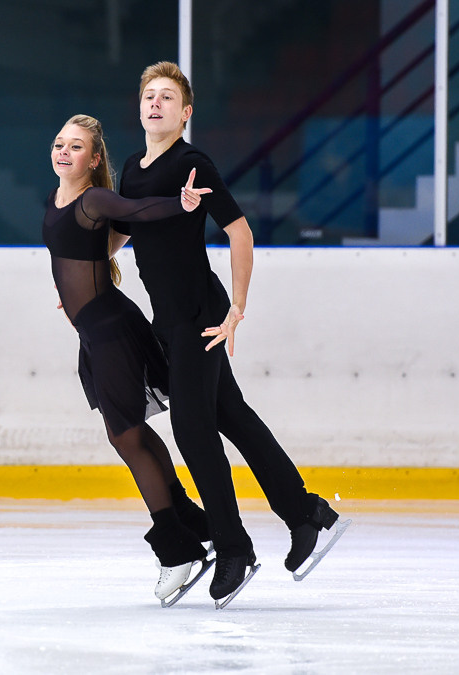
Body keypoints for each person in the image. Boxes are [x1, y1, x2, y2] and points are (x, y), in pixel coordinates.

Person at [110, 62, 344, 605]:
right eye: (149, 95)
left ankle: (235, 549)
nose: (156, 104)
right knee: (230, 414)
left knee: (193, 430)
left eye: (168, 97)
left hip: (200, 314)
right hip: (168, 319)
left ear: (185, 113)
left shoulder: (193, 163)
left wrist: (238, 306)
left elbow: (240, 231)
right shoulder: (131, 168)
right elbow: (124, 231)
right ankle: (306, 512)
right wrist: (84, 273)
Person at [43, 114, 213, 604]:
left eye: (75, 147)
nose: (63, 152)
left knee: (127, 436)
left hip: (111, 328)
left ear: (94, 159)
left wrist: (179, 203)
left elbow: (136, 210)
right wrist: (71, 290)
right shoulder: (58, 199)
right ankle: (190, 522)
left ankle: (177, 551)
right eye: (59, 143)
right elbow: (91, 245)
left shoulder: (94, 198)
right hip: (93, 331)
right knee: (131, 434)